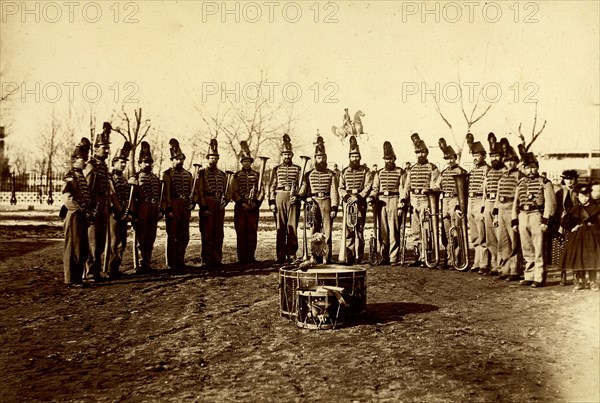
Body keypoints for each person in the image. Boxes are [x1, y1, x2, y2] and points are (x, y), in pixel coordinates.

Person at [511, 147, 557, 288]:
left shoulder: (545, 182)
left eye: (533, 168)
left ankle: (539, 277)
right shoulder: (521, 182)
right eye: (527, 168)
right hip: (523, 216)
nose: (530, 171)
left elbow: (551, 203)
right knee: (527, 248)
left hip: (537, 216)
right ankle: (529, 276)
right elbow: (515, 202)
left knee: (538, 248)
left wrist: (545, 220)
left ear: (537, 168)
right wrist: (514, 220)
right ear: (523, 169)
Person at [298, 135, 339, 263]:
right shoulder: (308, 174)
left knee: (327, 231)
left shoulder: (331, 174)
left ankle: (327, 256)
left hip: (326, 201)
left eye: (323, 157)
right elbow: (304, 189)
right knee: (314, 230)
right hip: (313, 203)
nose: (321, 160)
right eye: (319, 157)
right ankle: (314, 256)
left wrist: (334, 207)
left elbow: (334, 191)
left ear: (326, 158)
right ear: (315, 158)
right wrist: (302, 197)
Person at [401, 133, 440, 267]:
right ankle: (418, 256)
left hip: (425, 200)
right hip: (413, 200)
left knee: (426, 229)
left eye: (422, 152)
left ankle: (426, 257)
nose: (420, 155)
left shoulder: (432, 168)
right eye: (418, 153)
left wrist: (429, 190)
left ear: (426, 153)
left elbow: (436, 184)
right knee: (415, 230)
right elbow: (407, 185)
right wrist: (403, 199)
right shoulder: (412, 169)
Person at [62, 138, 93, 287]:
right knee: (72, 247)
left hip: (82, 217)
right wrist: (80, 210)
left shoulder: (81, 176)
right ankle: (70, 279)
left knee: (82, 248)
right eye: (82, 159)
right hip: (74, 216)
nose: (85, 161)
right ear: (74, 160)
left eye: (86, 158)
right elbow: (67, 198)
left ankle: (78, 278)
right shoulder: (71, 176)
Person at [196, 139, 231, 268]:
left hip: (219, 205)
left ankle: (217, 259)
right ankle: (206, 260)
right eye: (211, 158)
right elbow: (199, 192)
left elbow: (228, 190)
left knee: (218, 233)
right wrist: (204, 207)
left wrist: (225, 202)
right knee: (207, 233)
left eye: (216, 158)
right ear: (207, 158)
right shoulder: (201, 173)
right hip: (207, 204)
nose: (213, 160)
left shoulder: (222, 174)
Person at [559, 183, 600, 291]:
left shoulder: (596, 207)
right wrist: (573, 227)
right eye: (582, 196)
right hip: (579, 236)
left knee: (592, 258)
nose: (584, 198)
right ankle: (580, 281)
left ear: (589, 195)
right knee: (578, 258)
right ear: (578, 196)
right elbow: (564, 222)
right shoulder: (576, 209)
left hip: (593, 235)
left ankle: (593, 282)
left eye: (586, 196)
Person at [268, 134, 302, 264]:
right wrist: (271, 202)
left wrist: (298, 195)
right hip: (279, 197)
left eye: (289, 154)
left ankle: (292, 253)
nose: (287, 156)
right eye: (285, 154)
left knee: (292, 227)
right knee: (280, 228)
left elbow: (301, 184)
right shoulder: (276, 169)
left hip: (293, 199)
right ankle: (280, 254)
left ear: (292, 155)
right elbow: (271, 185)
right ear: (282, 155)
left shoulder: (298, 168)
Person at [338, 136, 372, 264]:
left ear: (360, 157)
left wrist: (358, 197)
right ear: (349, 157)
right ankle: (349, 255)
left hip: (360, 202)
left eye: (357, 156)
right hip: (348, 203)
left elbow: (368, 186)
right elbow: (340, 187)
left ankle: (360, 256)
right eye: (352, 156)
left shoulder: (366, 171)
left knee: (359, 230)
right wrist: (346, 197)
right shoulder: (344, 171)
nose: (355, 159)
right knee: (349, 230)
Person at [129, 141, 162, 274]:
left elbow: (159, 195)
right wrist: (133, 213)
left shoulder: (155, 178)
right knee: (140, 237)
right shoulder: (135, 178)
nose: (148, 164)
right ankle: (139, 265)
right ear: (139, 163)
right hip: (141, 208)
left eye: (150, 162)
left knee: (150, 236)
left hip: (153, 208)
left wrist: (159, 210)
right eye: (145, 162)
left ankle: (147, 263)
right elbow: (131, 197)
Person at [85, 122, 111, 282]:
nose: (107, 151)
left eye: (107, 148)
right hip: (94, 205)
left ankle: (96, 271)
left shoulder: (103, 165)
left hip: (103, 205)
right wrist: (90, 208)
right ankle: (90, 273)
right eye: (104, 148)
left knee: (100, 240)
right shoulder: (91, 165)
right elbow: (87, 188)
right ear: (95, 149)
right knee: (93, 241)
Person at [371, 141, 405, 265]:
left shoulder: (400, 172)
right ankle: (383, 257)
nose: (388, 161)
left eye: (390, 159)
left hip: (394, 200)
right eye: (386, 159)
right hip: (381, 202)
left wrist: (402, 202)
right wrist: (372, 197)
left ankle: (393, 258)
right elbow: (375, 188)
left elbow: (402, 188)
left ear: (394, 159)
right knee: (383, 231)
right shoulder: (379, 172)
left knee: (394, 231)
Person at [492, 141, 522, 281]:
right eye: (507, 161)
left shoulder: (519, 176)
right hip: (502, 209)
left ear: (516, 161)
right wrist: (496, 214)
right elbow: (498, 196)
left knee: (514, 240)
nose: (509, 163)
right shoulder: (503, 176)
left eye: (512, 160)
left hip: (512, 208)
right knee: (503, 241)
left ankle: (515, 270)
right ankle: (505, 268)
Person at [162, 138, 193, 271]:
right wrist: (168, 208)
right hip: (173, 204)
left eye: (181, 159)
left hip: (184, 206)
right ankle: (171, 262)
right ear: (172, 160)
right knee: (172, 234)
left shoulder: (188, 174)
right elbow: (165, 193)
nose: (179, 161)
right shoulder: (167, 174)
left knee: (184, 235)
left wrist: (192, 204)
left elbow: (193, 191)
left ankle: (180, 260)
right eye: (177, 159)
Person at [437, 137, 467, 269]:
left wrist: (459, 205)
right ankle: (449, 259)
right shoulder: (443, 173)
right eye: (447, 159)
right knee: (446, 231)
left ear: (455, 158)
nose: (449, 161)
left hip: (455, 201)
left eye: (451, 158)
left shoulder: (461, 171)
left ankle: (457, 259)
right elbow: (438, 185)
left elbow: (464, 191)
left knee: (456, 232)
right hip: (445, 202)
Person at [231, 141, 263, 264]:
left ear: (251, 162)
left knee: (252, 231)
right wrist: (241, 203)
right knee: (241, 231)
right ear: (241, 163)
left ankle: (251, 256)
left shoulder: (257, 175)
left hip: (253, 207)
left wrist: (256, 204)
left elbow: (261, 191)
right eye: (244, 161)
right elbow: (233, 191)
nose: (246, 163)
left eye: (248, 161)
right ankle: (241, 257)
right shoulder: (236, 175)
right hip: (241, 207)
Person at [481, 133, 507, 275]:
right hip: (488, 204)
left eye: (497, 155)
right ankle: (494, 264)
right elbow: (485, 190)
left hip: (500, 205)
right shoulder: (489, 172)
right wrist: (484, 206)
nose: (494, 159)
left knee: (501, 237)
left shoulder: (505, 171)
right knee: (490, 237)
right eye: (492, 156)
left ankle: (504, 266)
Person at [106, 141, 132, 279]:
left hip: (123, 213)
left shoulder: (123, 179)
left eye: (125, 162)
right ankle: (110, 269)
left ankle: (116, 268)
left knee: (122, 242)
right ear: (114, 162)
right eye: (121, 162)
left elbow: (127, 196)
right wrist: (119, 212)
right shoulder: (110, 178)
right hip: (115, 214)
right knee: (114, 242)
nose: (123, 164)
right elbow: (113, 195)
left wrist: (127, 212)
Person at [466, 133, 490, 273]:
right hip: (471, 201)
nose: (475, 158)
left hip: (481, 200)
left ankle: (484, 263)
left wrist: (483, 206)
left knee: (482, 234)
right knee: (474, 234)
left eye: (478, 156)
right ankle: (476, 262)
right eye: (474, 156)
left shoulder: (487, 170)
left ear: (484, 156)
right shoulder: (473, 171)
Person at [550, 169, 579, 284]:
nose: (569, 181)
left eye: (571, 179)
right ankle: (563, 275)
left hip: (575, 223)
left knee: (576, 249)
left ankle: (577, 275)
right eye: (567, 179)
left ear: (575, 179)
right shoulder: (559, 193)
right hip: (562, 223)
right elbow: (555, 208)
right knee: (562, 249)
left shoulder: (578, 192)